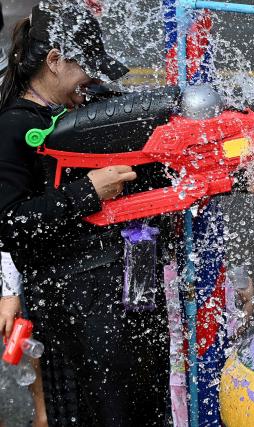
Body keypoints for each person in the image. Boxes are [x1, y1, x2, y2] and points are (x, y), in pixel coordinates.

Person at [0, 2, 168, 426]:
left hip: (132, 285)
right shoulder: (13, 128)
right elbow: (10, 224)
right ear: (54, 61)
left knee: (148, 403)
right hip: (71, 305)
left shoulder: (88, 107)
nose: (93, 79)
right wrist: (86, 192)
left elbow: (150, 162)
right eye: (86, 67)